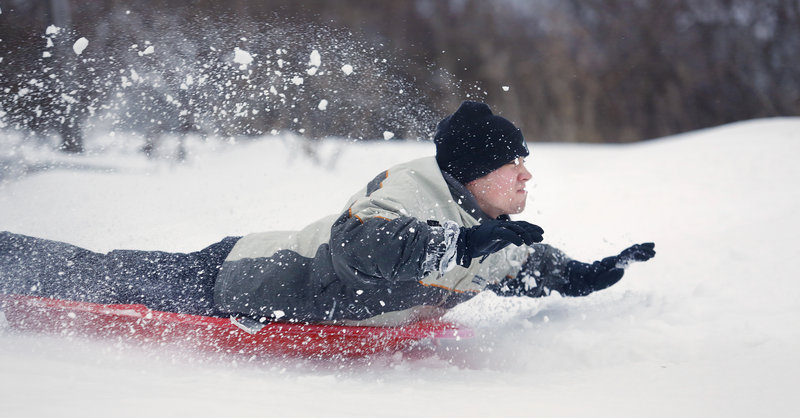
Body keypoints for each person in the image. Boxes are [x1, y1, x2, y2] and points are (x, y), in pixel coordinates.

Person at [0, 101, 655, 326]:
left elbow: (516, 262)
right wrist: (460, 246)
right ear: (478, 174)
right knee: (104, 278)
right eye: (515, 165)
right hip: (247, 280)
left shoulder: (488, 230)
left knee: (112, 274)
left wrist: (580, 274)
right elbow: (363, 248)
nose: (526, 175)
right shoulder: (410, 193)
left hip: (283, 285)